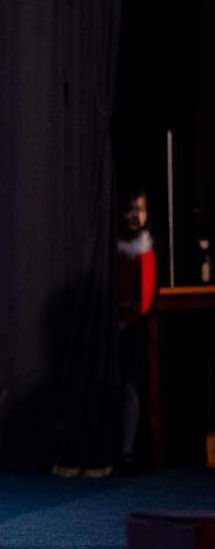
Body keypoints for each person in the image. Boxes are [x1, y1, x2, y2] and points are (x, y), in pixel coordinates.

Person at [117, 187, 155, 469]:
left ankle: (127, 450)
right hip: (110, 325)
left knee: (130, 386)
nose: (135, 215)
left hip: (131, 328)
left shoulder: (145, 249)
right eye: (130, 209)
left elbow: (145, 298)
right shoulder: (111, 247)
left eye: (140, 210)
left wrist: (125, 322)